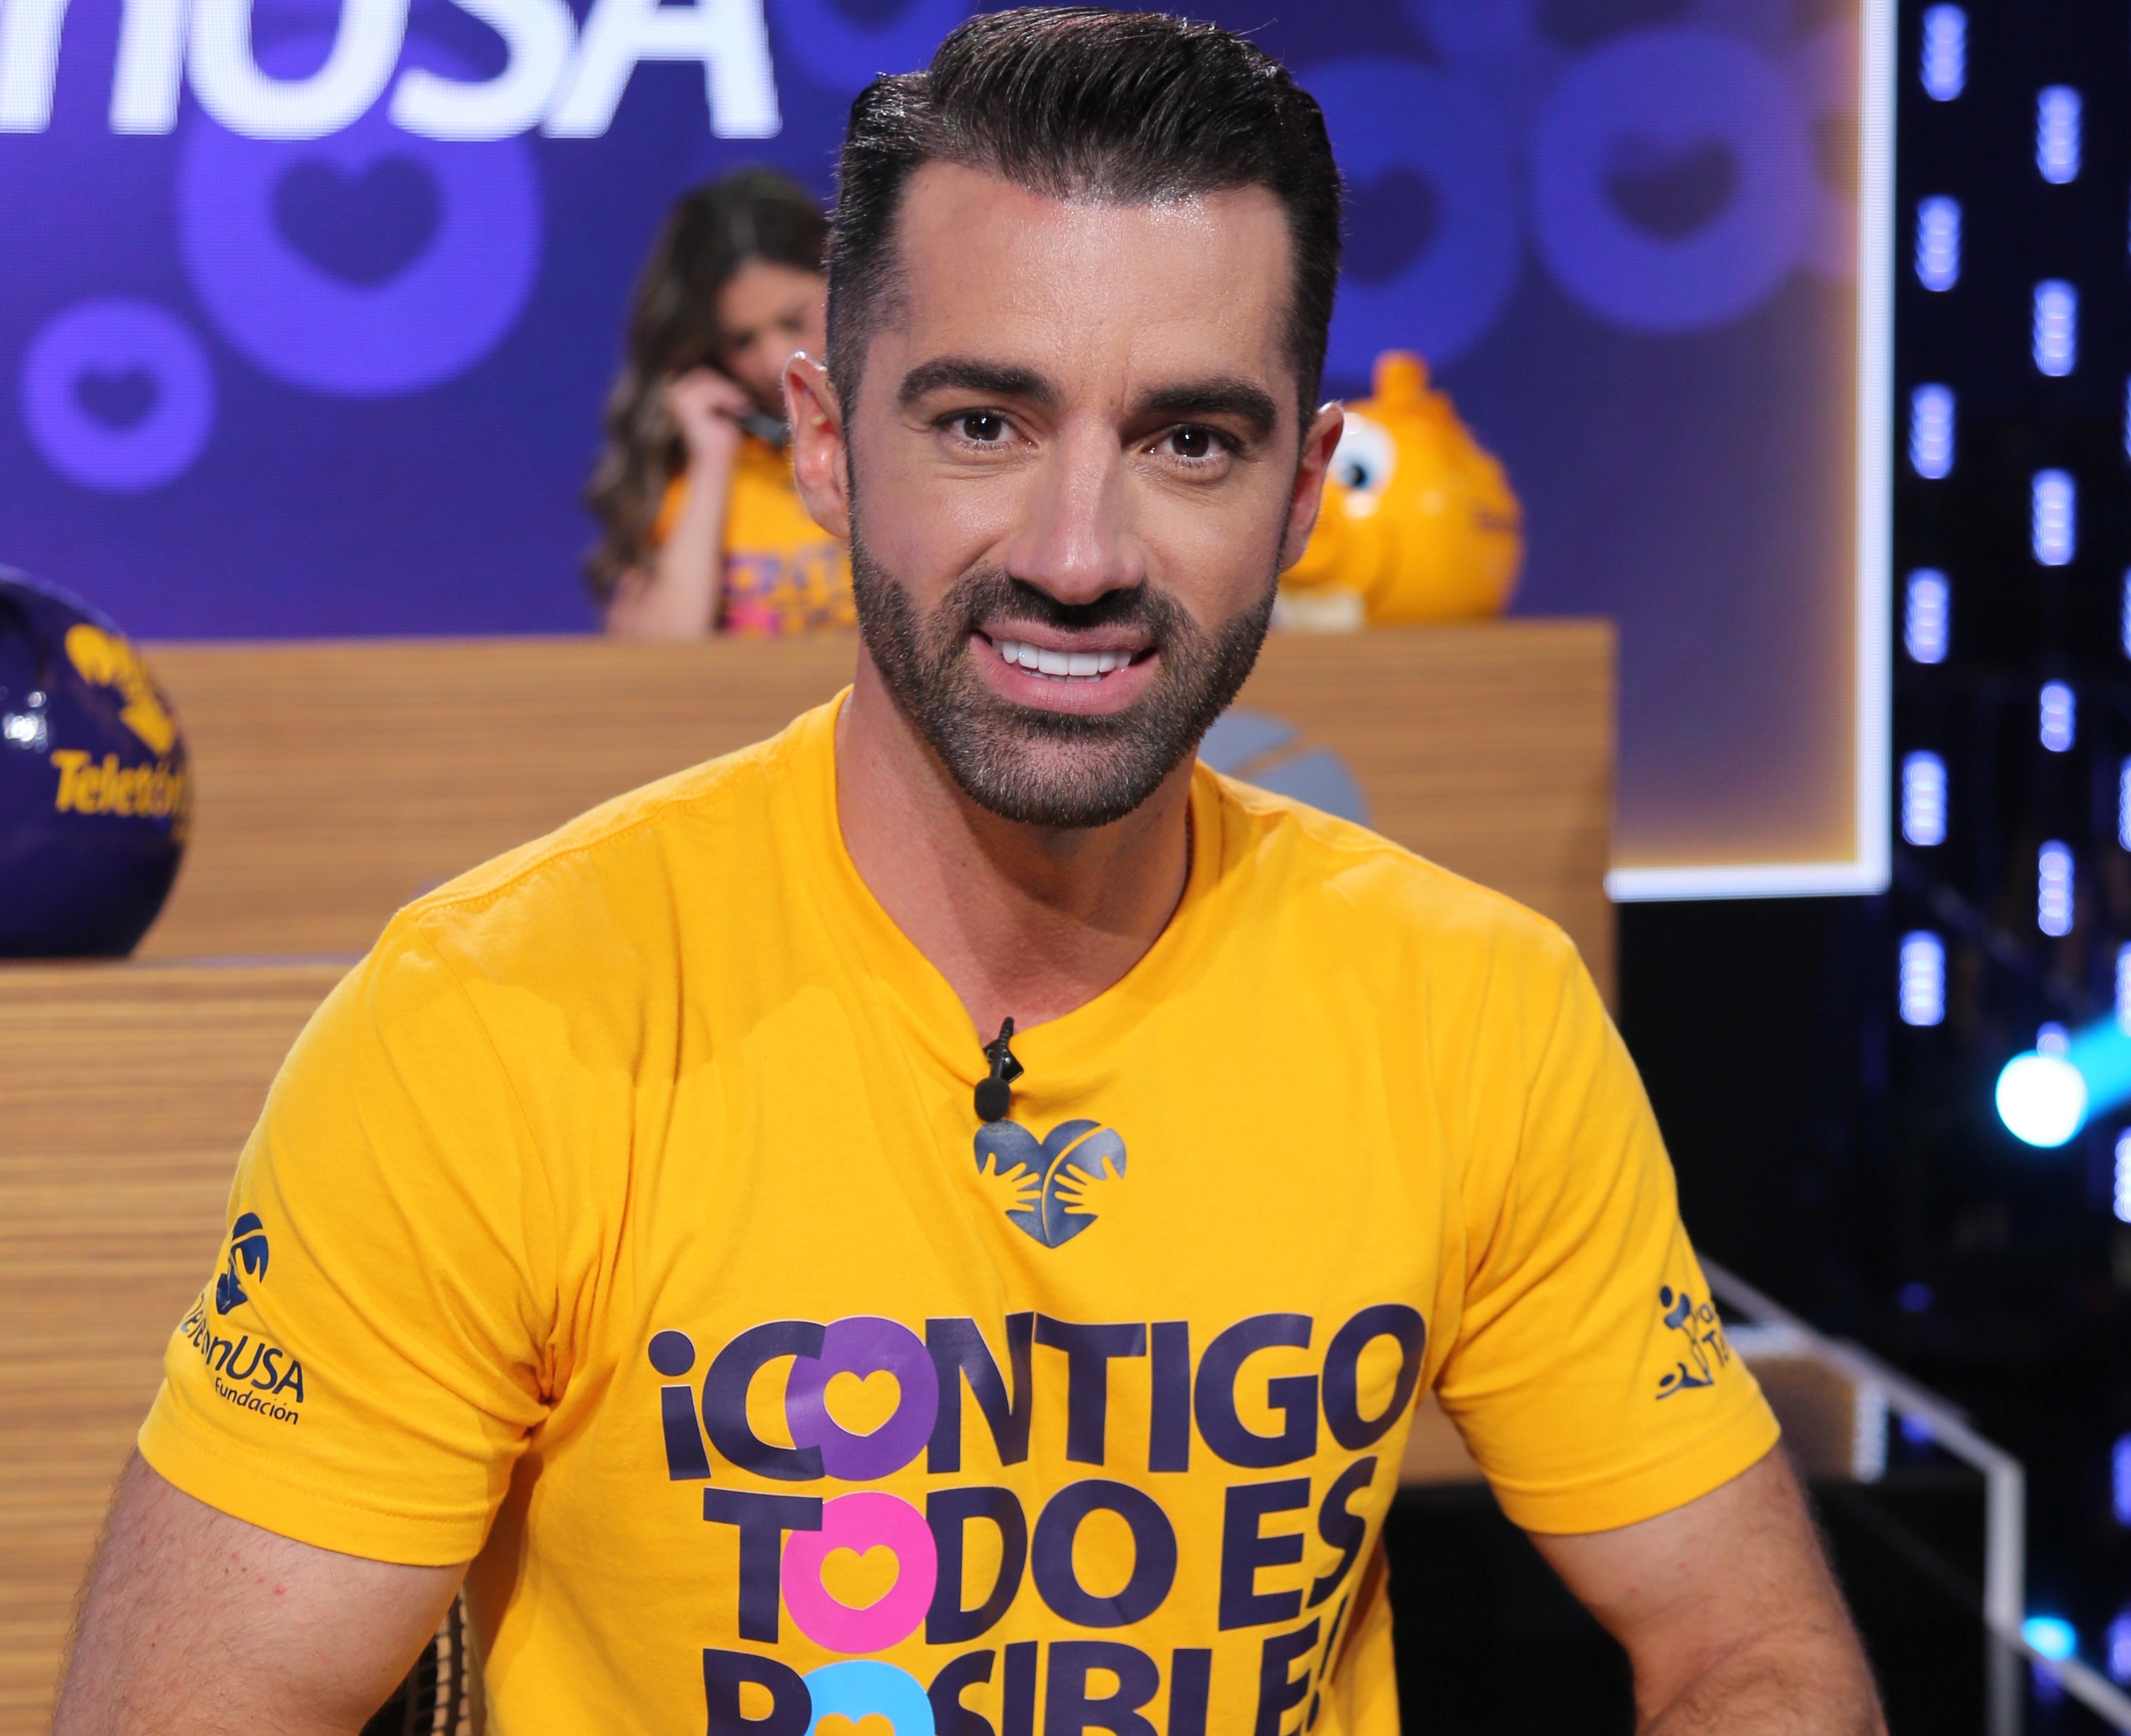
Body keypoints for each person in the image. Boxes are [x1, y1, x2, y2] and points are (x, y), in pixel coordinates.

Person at [53, 12, 1885, 1736]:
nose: (1077, 553)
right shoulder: (488, 1023)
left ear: (1302, 492)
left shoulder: (1472, 1010)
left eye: (1187, 440)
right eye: (983, 424)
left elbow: (1750, 1651)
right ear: (827, 445)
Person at [586, 168, 854, 639]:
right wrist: (711, 462)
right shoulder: (684, 468)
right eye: (741, 340)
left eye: (793, 322)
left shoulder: (909, 437)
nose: (774, 361)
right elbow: (658, 660)